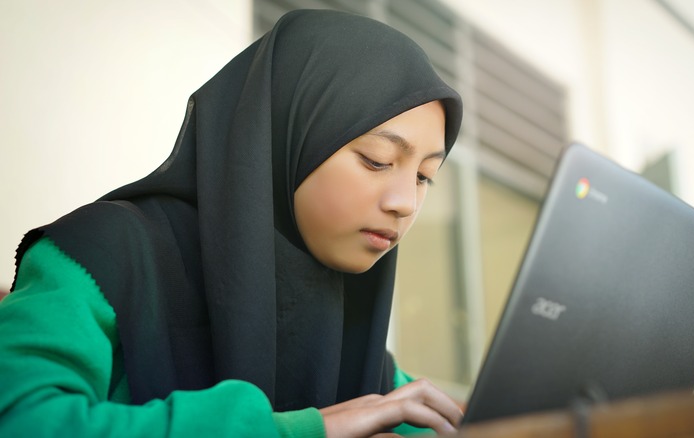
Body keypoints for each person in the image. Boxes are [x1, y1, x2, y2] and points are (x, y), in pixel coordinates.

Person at [0, 9, 463, 437]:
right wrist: (295, 431)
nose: (406, 203)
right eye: (377, 160)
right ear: (289, 135)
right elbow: (21, 419)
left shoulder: (354, 328)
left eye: (425, 177)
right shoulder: (102, 254)